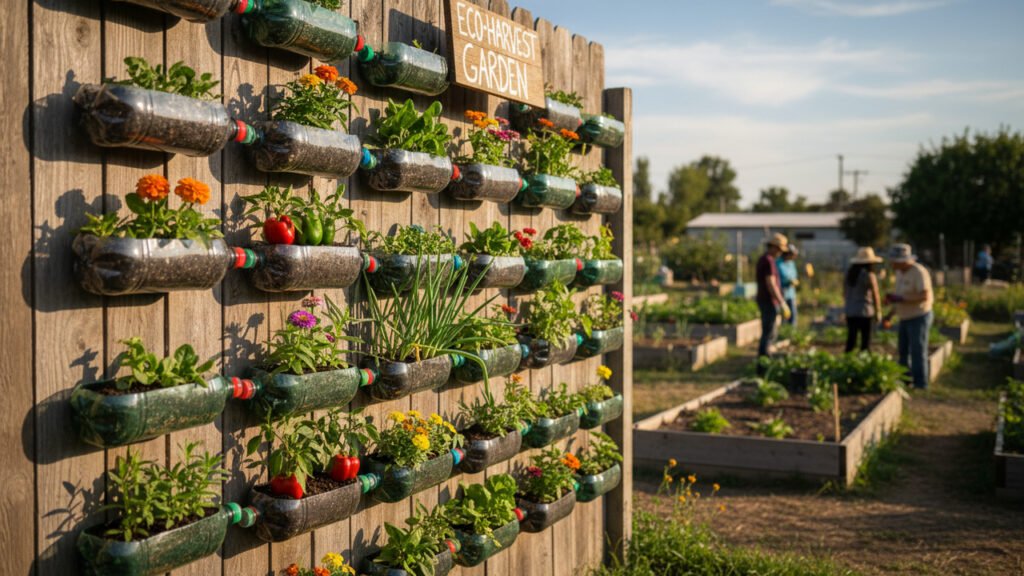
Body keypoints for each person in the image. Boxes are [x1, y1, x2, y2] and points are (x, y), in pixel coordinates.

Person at [883, 243, 934, 389]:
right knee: (903, 351)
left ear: (902, 261)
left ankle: (921, 383)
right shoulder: (900, 273)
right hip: (904, 317)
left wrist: (900, 299)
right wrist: (890, 315)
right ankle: (906, 380)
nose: (892, 263)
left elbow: (924, 295)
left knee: (917, 350)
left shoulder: (919, 272)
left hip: (919, 316)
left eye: (894, 261)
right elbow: (900, 298)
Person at [756, 233, 790, 359]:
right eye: (780, 250)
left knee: (769, 331)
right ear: (774, 247)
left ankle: (764, 359)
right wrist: (781, 301)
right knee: (769, 333)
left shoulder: (766, 259)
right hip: (768, 301)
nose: (780, 253)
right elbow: (771, 283)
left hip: (766, 300)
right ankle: (764, 361)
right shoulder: (768, 261)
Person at [843, 247, 883, 352]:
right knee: (865, 342)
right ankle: (863, 364)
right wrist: (878, 311)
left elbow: (844, 293)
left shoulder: (849, 274)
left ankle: (847, 362)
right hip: (865, 311)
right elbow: (875, 294)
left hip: (850, 311)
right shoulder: (869, 275)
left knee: (851, 340)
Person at [776, 246, 799, 326]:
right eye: (793, 255)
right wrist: (787, 281)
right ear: (788, 254)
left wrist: (794, 281)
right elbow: (778, 277)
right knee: (784, 315)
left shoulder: (791, 263)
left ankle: (791, 333)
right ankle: (783, 332)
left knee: (793, 314)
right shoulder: (778, 263)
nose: (794, 257)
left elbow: (794, 275)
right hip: (782, 292)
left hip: (791, 293)